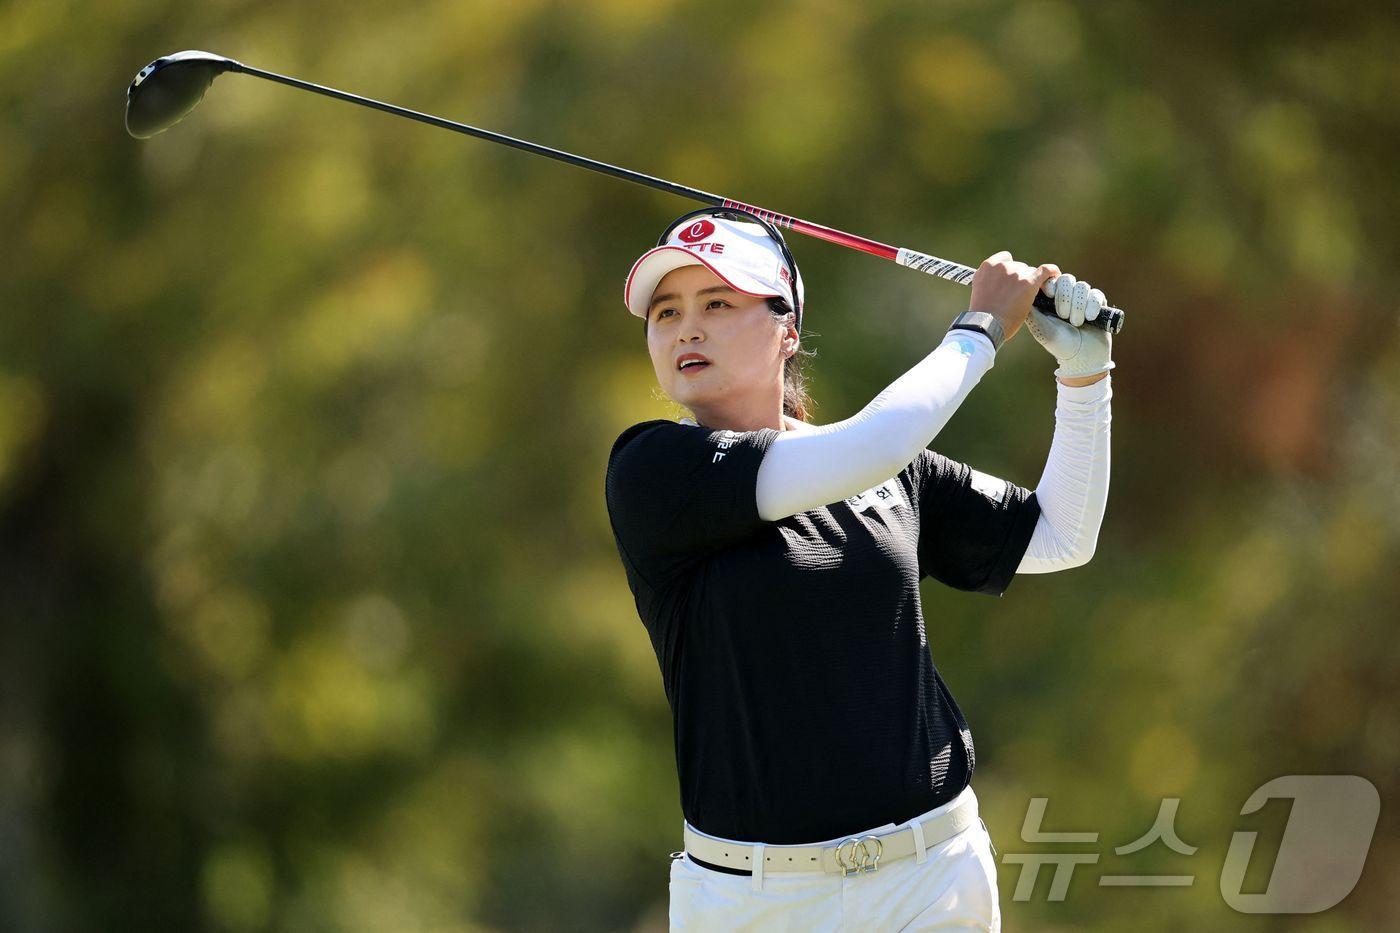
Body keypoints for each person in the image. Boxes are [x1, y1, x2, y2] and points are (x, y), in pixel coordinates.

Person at [603, 208, 1113, 931]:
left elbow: (1063, 534)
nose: (687, 328)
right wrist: (979, 331)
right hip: (755, 902)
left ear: (788, 330)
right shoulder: (652, 470)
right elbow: (869, 447)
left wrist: (1086, 376)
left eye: (717, 303)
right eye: (665, 312)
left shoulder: (886, 468)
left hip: (930, 878)